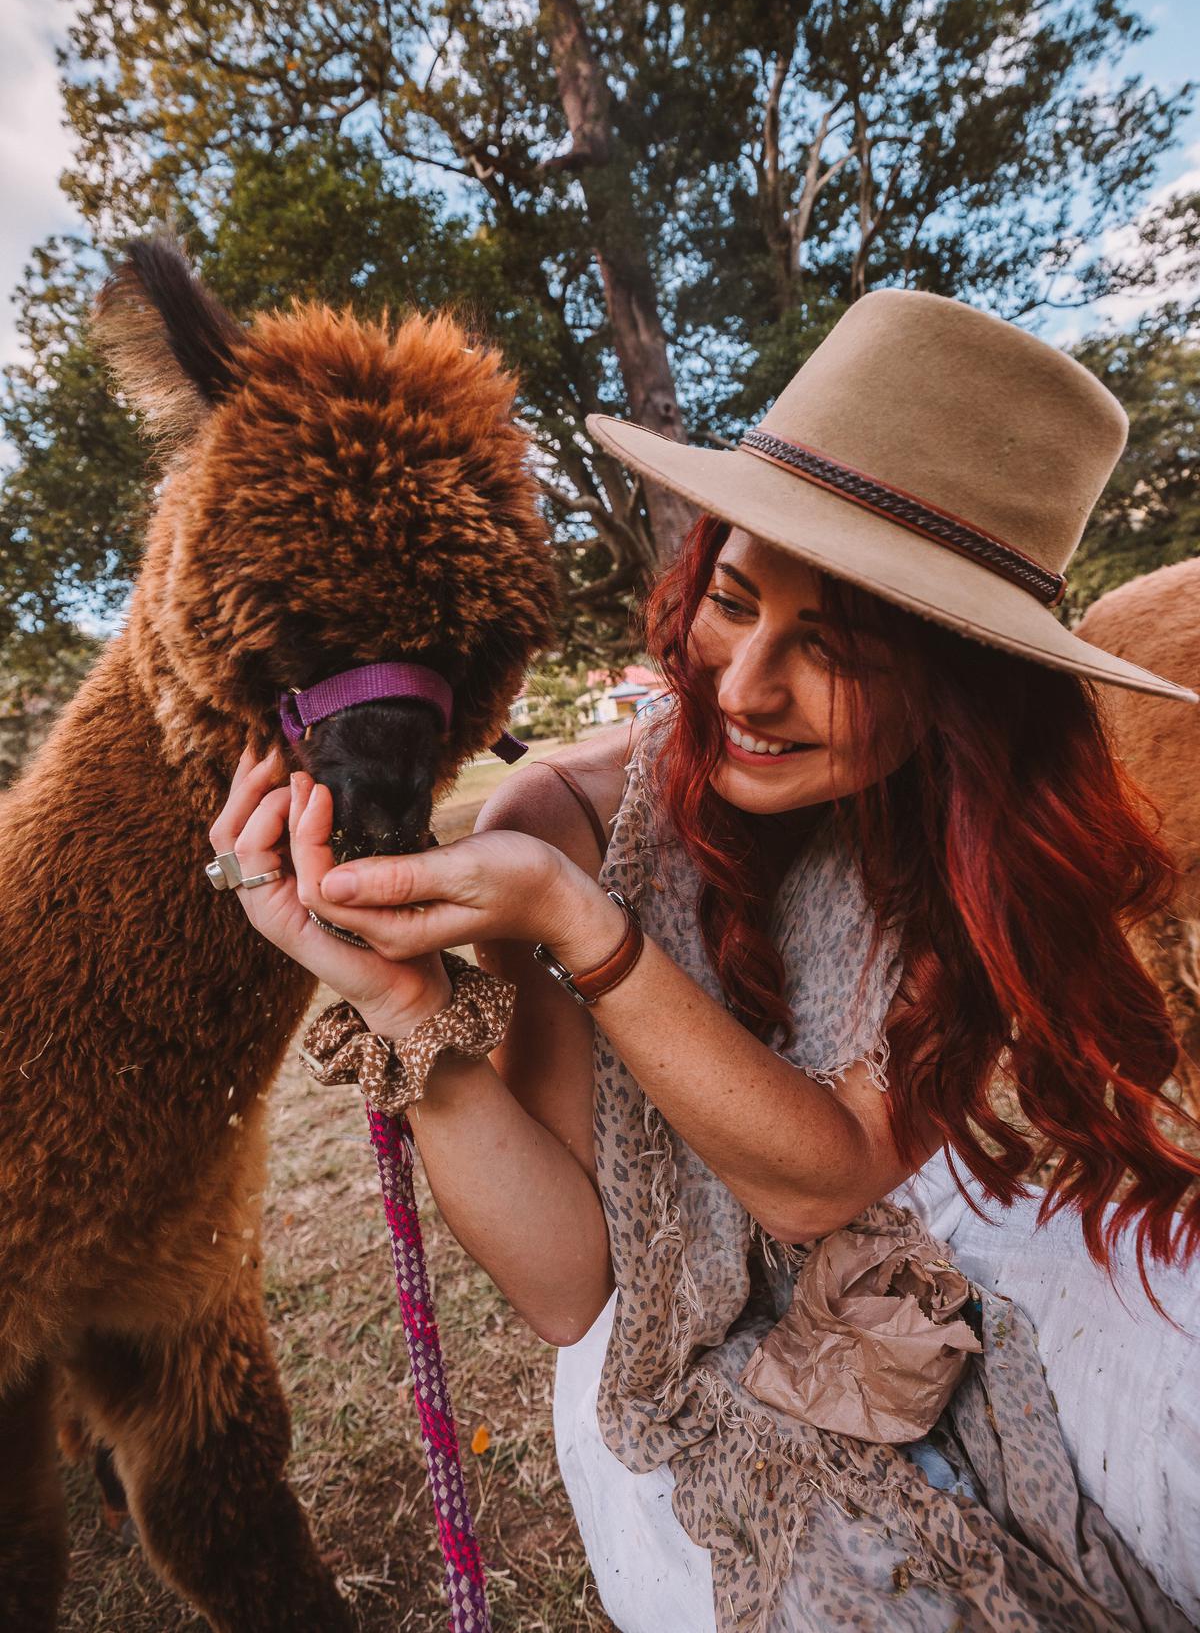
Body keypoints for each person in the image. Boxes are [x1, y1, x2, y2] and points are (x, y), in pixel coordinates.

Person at [213, 289, 1200, 1630]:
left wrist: (591, 939)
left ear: (964, 687)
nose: (741, 687)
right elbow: (572, 1285)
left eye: (835, 652)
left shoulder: (965, 843)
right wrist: (409, 999)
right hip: (680, 1332)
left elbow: (833, 1175)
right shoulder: (564, 827)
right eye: (733, 599)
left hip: (916, 1242)